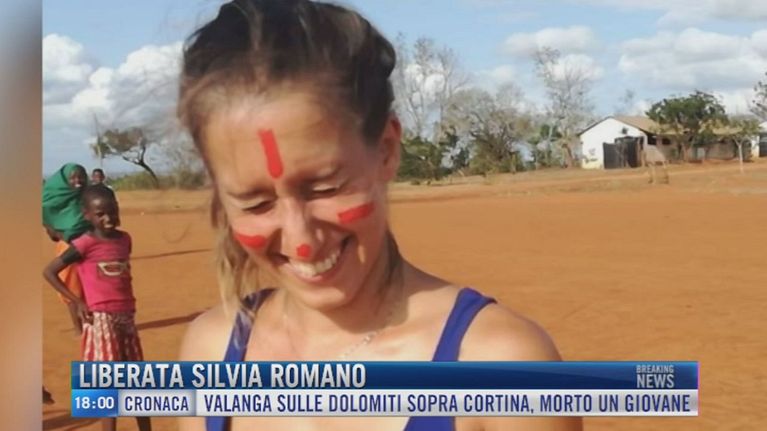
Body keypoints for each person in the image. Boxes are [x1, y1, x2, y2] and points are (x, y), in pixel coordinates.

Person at [176, 1, 581, 430]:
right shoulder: (210, 353)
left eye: (326, 188)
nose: (302, 241)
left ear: (386, 150)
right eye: (255, 203)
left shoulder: (502, 370)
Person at [43, 184, 151, 431]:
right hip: (100, 318)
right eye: (100, 214)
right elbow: (49, 272)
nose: (108, 218)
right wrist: (78, 301)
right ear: (87, 215)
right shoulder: (84, 244)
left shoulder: (125, 239)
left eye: (112, 211)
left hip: (127, 316)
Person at [42, 163, 92, 334]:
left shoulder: (89, 196)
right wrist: (63, 235)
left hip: (92, 246)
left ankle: (92, 325)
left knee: (92, 286)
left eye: (81, 176)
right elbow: (51, 230)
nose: (78, 181)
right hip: (68, 248)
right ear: (64, 180)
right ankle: (78, 329)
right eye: (73, 177)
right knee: (72, 288)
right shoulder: (51, 201)